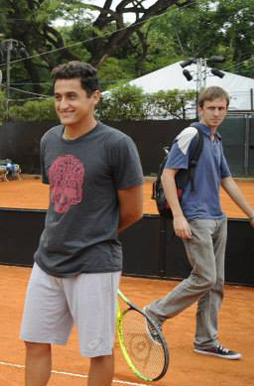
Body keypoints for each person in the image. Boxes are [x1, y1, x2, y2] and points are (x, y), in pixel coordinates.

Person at [20, 61, 144, 386]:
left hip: (94, 265)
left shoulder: (117, 145)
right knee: (34, 341)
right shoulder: (49, 140)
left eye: (72, 96)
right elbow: (60, 201)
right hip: (47, 261)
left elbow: (133, 210)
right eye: (58, 96)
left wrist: (95, 235)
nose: (63, 104)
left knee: (98, 351)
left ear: (94, 98)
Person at [144, 86, 254, 360]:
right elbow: (168, 175)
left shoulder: (216, 140)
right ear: (201, 109)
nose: (217, 113)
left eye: (221, 108)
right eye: (212, 108)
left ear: (227, 110)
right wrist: (180, 216)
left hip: (217, 218)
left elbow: (226, 180)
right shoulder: (191, 134)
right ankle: (153, 314)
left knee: (216, 282)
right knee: (204, 276)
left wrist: (251, 213)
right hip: (195, 218)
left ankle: (206, 340)